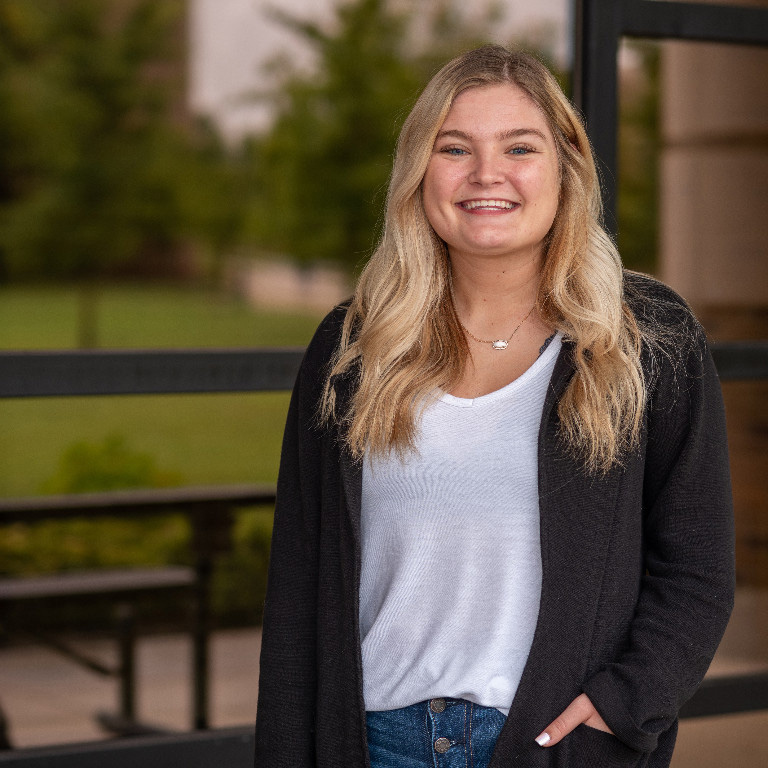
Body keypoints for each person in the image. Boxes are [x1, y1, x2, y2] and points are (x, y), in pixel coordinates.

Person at [254, 45, 734, 768]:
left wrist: (629, 699)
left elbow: (696, 566)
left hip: (553, 742)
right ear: (420, 173)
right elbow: (297, 587)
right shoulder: (352, 349)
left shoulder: (645, 338)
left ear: (566, 169)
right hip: (375, 742)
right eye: (455, 148)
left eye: (519, 147)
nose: (487, 174)